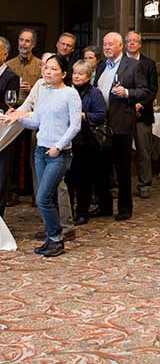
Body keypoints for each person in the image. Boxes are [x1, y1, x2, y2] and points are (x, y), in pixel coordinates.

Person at [1, 54, 81, 257]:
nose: (48, 72)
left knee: (42, 197)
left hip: (59, 153)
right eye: (46, 68)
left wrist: (58, 146)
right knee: (49, 198)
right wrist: (17, 119)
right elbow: (36, 121)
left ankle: (56, 238)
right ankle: (52, 239)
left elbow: (75, 126)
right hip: (40, 151)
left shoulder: (70, 94)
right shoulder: (43, 92)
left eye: (53, 69)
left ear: (63, 73)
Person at [94, 31, 150, 220]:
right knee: (101, 168)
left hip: (121, 124)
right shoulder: (101, 67)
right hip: (101, 126)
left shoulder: (133, 66)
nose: (107, 47)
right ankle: (104, 206)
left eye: (111, 44)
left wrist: (126, 92)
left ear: (120, 46)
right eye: (105, 44)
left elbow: (144, 91)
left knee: (123, 169)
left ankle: (125, 208)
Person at [65, 59, 106, 225]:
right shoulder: (66, 91)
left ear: (88, 77)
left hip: (86, 142)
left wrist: (84, 116)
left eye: (81, 74)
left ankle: (82, 212)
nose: (77, 76)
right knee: (68, 179)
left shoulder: (94, 93)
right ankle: (67, 213)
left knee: (83, 179)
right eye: (75, 73)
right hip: (68, 140)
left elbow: (101, 114)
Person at [125, 30, 160, 198]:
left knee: (143, 151)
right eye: (129, 41)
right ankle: (118, 185)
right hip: (122, 114)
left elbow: (152, 89)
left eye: (135, 41)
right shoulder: (119, 62)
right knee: (120, 151)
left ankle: (144, 184)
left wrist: (140, 105)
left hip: (142, 114)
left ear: (140, 44)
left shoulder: (149, 64)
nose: (132, 43)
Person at [0, 36, 21, 218]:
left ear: (5, 54)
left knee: (1, 174)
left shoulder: (11, 76)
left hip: (3, 129)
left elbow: (10, 104)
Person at [7, 27, 42, 102]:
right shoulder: (8, 64)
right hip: (10, 107)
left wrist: (31, 90)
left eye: (27, 41)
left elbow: (45, 90)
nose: (23, 43)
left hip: (31, 107)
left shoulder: (41, 65)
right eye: (21, 40)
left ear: (33, 45)